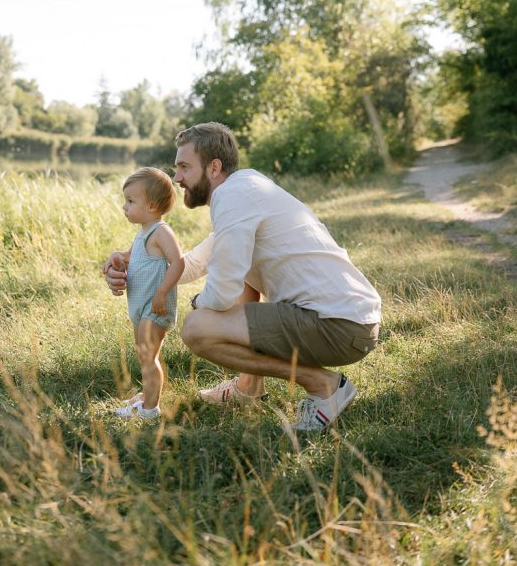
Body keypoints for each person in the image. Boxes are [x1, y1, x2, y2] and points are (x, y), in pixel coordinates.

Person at [104, 123, 381, 433]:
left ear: (213, 167)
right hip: (348, 321)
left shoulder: (232, 197)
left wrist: (202, 305)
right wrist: (132, 263)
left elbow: (222, 289)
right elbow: (193, 263)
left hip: (339, 325)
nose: (177, 177)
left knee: (198, 328)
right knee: (242, 279)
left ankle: (324, 385)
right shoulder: (245, 191)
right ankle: (249, 386)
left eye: (184, 167)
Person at [111, 167, 184, 421]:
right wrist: (118, 257)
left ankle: (150, 410)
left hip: (156, 306)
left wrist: (162, 293)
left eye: (131, 201)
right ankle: (146, 396)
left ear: (152, 205)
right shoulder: (143, 232)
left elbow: (178, 263)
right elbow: (131, 257)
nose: (125, 206)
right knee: (144, 353)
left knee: (147, 355)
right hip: (141, 306)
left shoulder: (161, 232)